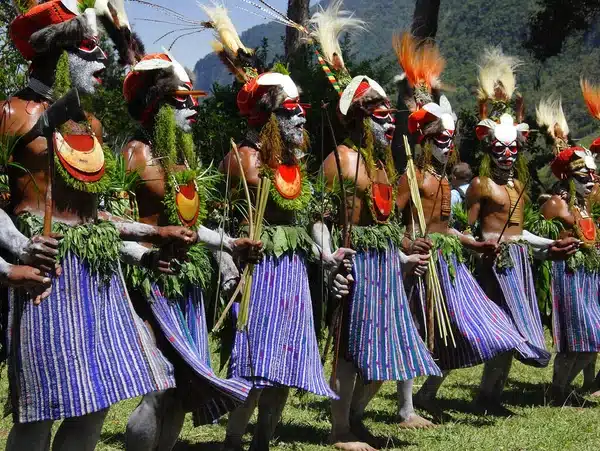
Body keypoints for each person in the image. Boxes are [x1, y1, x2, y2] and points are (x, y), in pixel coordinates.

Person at [0, 2, 201, 449]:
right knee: (42, 407)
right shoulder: (11, 114)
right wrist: (18, 247)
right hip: (44, 278)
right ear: (56, 48)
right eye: (89, 48)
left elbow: (93, 218)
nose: (103, 59)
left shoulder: (89, 124)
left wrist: (150, 240)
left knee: (96, 400)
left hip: (98, 277)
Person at [201, 5, 349, 450]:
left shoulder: (292, 166)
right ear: (269, 117)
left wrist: (326, 254)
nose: (302, 118)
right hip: (256, 276)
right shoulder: (242, 162)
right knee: (252, 365)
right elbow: (216, 220)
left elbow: (303, 224)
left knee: (285, 363)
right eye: (292, 110)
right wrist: (230, 269)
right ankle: (232, 442)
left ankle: (263, 441)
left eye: (302, 109)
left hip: (292, 275)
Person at [310, 5, 440, 450]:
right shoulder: (341, 162)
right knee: (349, 354)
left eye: (389, 114)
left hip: (385, 268)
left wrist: (406, 253)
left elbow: (385, 224)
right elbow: (321, 220)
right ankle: (339, 429)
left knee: (391, 354)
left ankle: (358, 417)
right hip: (355, 270)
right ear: (358, 117)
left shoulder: (384, 166)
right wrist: (330, 262)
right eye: (379, 114)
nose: (389, 120)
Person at [120, 51, 263, 450]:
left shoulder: (181, 161)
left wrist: (230, 242)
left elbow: (191, 227)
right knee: (159, 387)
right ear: (156, 105)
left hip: (186, 287)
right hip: (149, 285)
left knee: (183, 390)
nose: (194, 108)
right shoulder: (136, 154)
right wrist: (145, 256)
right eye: (182, 100)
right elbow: (114, 221)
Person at [394, 34, 531, 418]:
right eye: (440, 137)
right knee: (419, 331)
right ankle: (406, 408)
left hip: (446, 262)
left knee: (451, 330)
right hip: (419, 265)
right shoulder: (414, 177)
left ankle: (425, 397)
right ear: (425, 139)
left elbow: (448, 229)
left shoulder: (441, 181)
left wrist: (473, 245)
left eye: (450, 138)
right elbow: (392, 222)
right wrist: (408, 248)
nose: (446, 144)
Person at [465, 48, 578, 414]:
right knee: (497, 333)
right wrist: (480, 248)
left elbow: (520, 232)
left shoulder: (518, 187)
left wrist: (549, 246)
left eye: (512, 148)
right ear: (488, 147)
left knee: (514, 333)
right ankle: (437, 395)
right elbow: (466, 230)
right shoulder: (481, 185)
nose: (508, 155)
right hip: (491, 266)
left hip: (518, 264)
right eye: (500, 148)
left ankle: (491, 397)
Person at [537, 92, 600, 403]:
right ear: (569, 177)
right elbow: (542, 239)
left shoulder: (586, 206)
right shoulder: (556, 205)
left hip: (589, 277)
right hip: (568, 277)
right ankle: (558, 391)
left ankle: (564, 389)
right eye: (583, 174)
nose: (591, 178)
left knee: (592, 342)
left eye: (592, 172)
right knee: (577, 342)